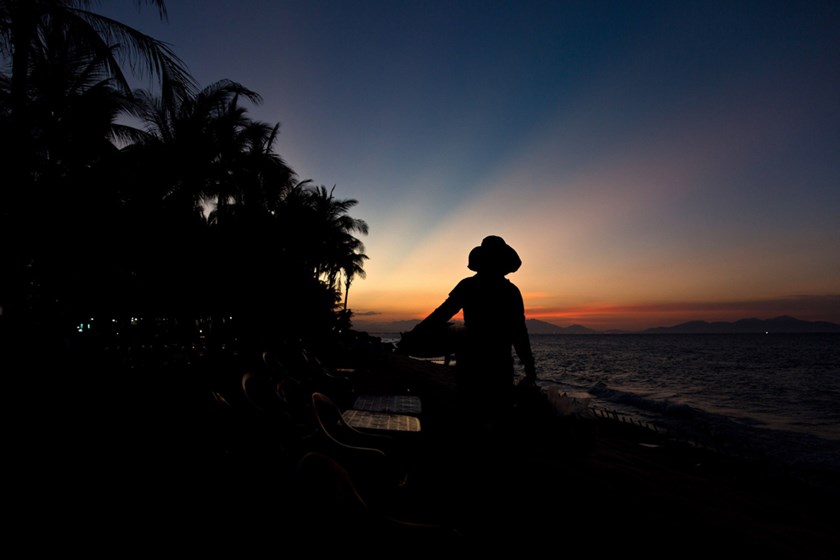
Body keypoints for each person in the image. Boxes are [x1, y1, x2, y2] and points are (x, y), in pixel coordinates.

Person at [406, 235, 537, 438]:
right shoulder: (510, 291)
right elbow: (519, 332)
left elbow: (441, 314)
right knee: (495, 417)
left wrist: (416, 333)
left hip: (476, 360)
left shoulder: (470, 286)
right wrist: (529, 366)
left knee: (474, 417)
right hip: (495, 361)